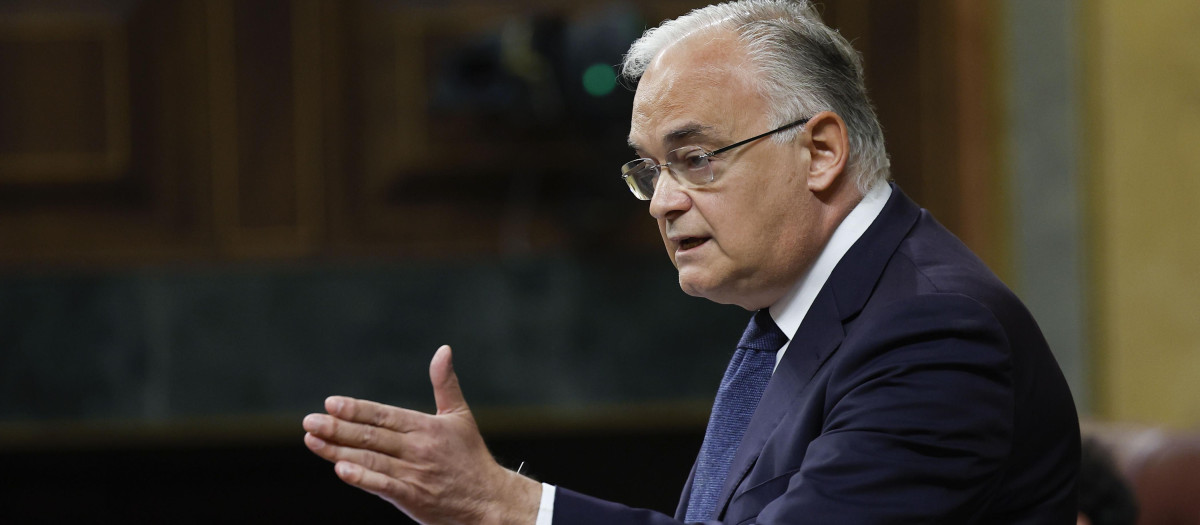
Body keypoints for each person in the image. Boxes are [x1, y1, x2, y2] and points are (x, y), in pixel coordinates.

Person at [301, 1, 1080, 523]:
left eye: (696, 158)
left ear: (820, 151)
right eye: (649, 169)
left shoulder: (932, 331)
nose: (662, 201)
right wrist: (507, 505)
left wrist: (509, 503)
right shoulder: (804, 305)